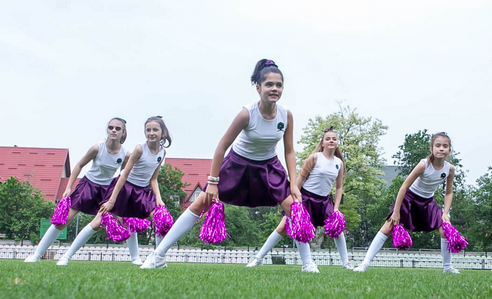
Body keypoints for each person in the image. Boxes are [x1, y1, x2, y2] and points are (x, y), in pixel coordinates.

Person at [142, 59, 298, 270]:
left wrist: (294, 183)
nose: (274, 89)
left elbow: (289, 150)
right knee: (200, 203)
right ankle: (158, 255)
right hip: (238, 164)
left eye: (279, 85)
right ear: (258, 87)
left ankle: (307, 263)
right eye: (269, 84)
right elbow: (221, 147)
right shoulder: (247, 113)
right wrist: (213, 182)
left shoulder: (286, 115)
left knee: (295, 208)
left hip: (268, 167)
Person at [57, 116, 171, 266]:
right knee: (97, 222)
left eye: (155, 130)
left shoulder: (162, 153)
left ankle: (157, 258)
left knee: (160, 218)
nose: (151, 133)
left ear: (163, 133)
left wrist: (159, 197)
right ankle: (66, 256)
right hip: (124, 188)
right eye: (148, 130)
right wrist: (111, 200)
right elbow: (123, 175)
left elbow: (153, 179)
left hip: (142, 192)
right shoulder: (138, 149)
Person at [25, 118, 130, 263]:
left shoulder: (126, 154)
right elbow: (79, 165)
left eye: (117, 128)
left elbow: (122, 177)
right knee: (63, 221)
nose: (113, 130)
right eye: (110, 127)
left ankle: (66, 257)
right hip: (88, 186)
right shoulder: (97, 148)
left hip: (106, 191)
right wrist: (68, 187)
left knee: (105, 222)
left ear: (123, 132)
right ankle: (36, 256)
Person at [247, 127, 350, 271]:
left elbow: (339, 188)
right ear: (322, 143)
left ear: (337, 143)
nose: (331, 141)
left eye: (334, 139)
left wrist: (336, 208)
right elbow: (299, 179)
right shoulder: (315, 158)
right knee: (284, 227)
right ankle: (258, 258)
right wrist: (295, 200)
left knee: (337, 228)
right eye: (328, 139)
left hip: (324, 201)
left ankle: (346, 263)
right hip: (305, 198)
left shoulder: (339, 163)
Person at [354, 132, 459, 274]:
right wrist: (396, 212)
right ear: (431, 149)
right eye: (438, 145)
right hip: (409, 198)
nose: (441, 149)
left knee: (445, 230)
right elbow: (404, 186)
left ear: (449, 150)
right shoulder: (424, 164)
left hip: (428, 202)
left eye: (445, 146)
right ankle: (364, 264)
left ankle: (447, 267)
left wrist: (445, 213)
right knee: (388, 226)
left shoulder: (450, 169)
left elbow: (448, 192)